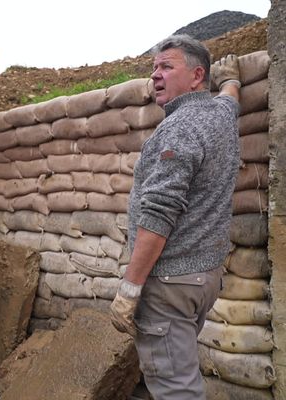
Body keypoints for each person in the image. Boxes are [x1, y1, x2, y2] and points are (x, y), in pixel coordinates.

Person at [109, 35, 242, 399]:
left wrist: (130, 288)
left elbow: (159, 212)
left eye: (167, 67)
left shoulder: (178, 128)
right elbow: (230, 102)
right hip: (204, 278)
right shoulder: (219, 115)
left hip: (170, 282)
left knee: (176, 390)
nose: (155, 75)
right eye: (154, 68)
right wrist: (231, 82)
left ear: (198, 76)